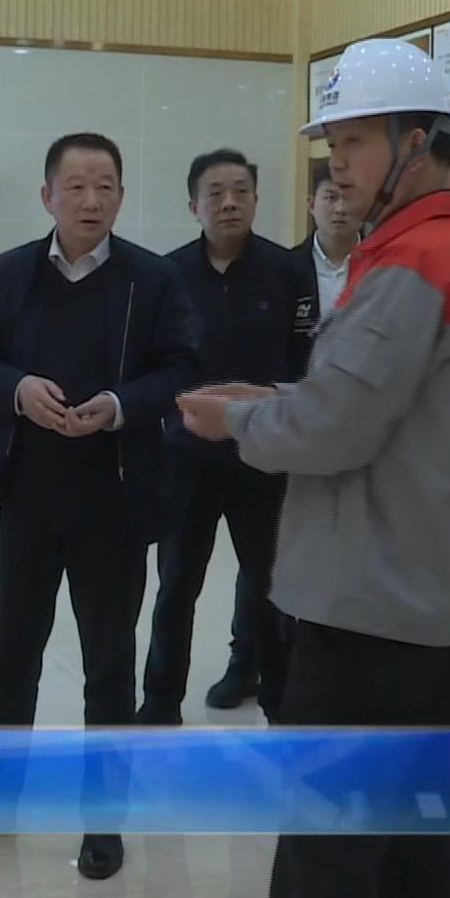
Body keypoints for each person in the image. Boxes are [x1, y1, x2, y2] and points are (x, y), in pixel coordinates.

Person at [177, 39, 450, 898]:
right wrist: (279, 396)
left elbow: (334, 431)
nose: (339, 161)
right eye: (335, 142)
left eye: (357, 140)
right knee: (415, 851)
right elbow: (390, 408)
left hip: (371, 611)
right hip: (430, 604)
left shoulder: (415, 263)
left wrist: (237, 420)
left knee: (324, 859)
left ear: (417, 142)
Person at [0, 133, 200, 881]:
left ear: (122, 196)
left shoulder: (152, 278)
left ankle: (103, 820)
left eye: (105, 186)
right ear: (47, 196)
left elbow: (182, 367)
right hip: (31, 493)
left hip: (114, 494)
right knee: (11, 656)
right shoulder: (13, 274)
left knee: (109, 664)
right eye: (75, 186)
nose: (91, 200)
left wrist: (119, 404)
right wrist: (17, 389)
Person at [138, 149, 314, 724]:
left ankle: (280, 703)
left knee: (271, 588)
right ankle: (160, 702)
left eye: (241, 191)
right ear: (193, 205)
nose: (229, 202)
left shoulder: (288, 271)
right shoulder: (167, 274)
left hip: (263, 455)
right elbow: (154, 365)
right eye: (215, 193)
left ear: (257, 200)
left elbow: (305, 361)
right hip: (185, 457)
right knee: (175, 587)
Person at [301, 160, 370, 323]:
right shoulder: (287, 266)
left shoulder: (383, 266)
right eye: (331, 198)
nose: (340, 209)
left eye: (349, 198)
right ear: (311, 204)